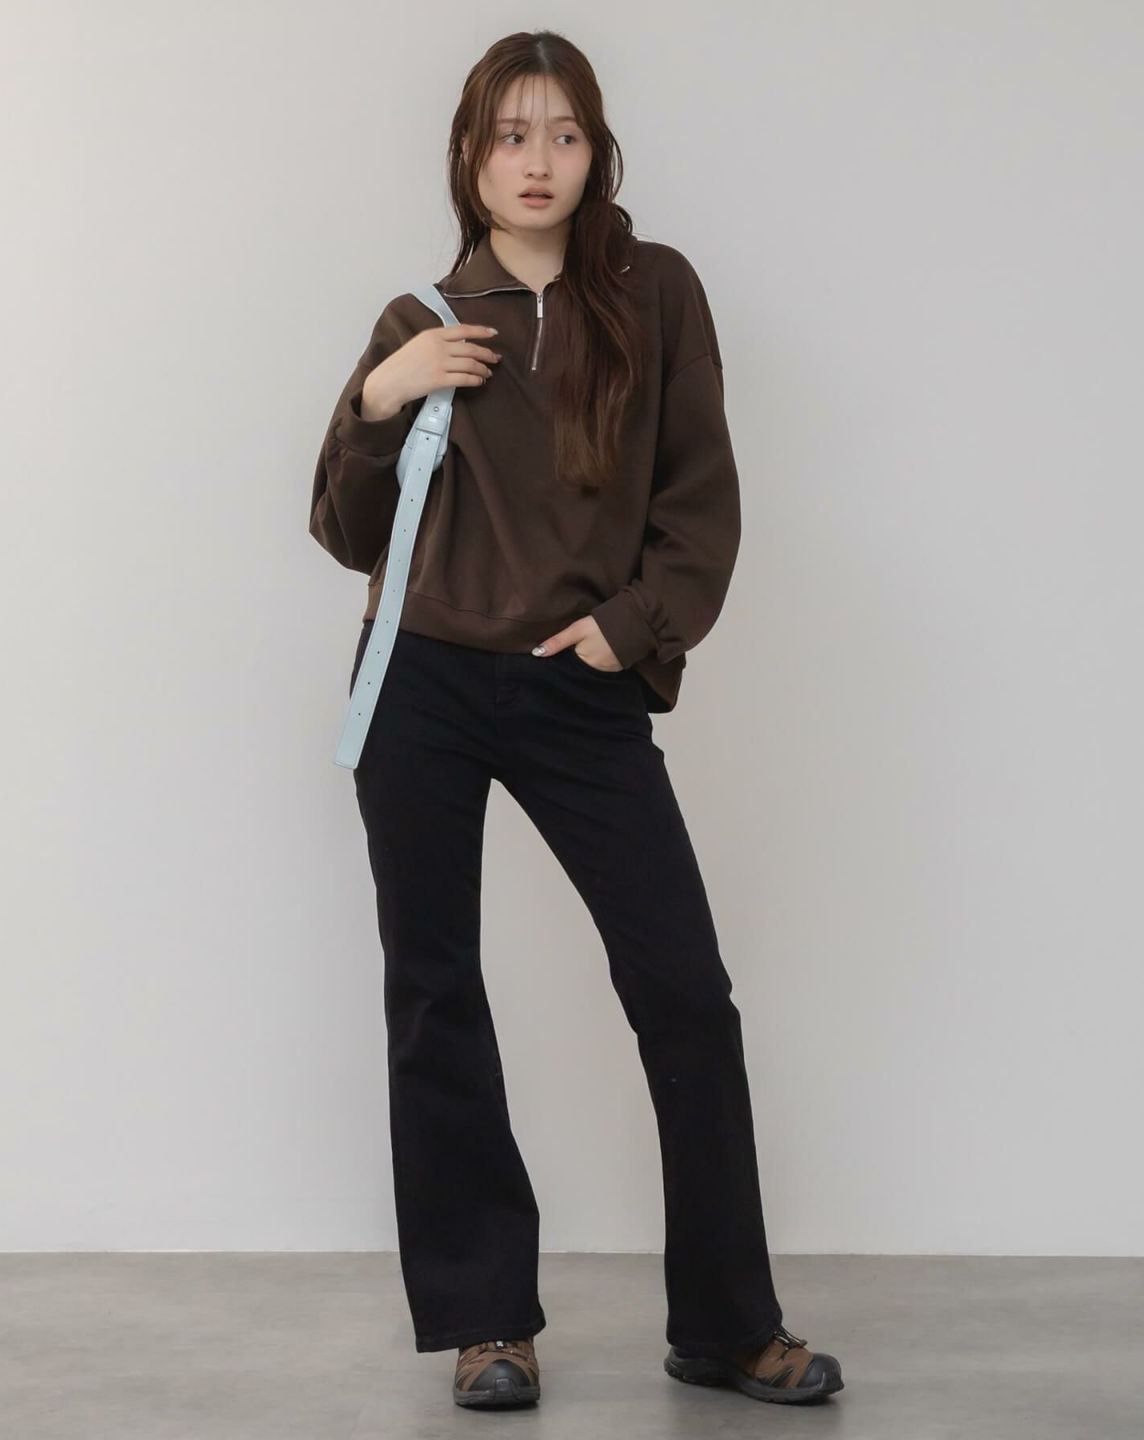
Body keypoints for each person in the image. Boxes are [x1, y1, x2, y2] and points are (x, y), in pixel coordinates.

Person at [309, 28, 845, 1411]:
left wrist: (635, 625)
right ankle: (488, 1322)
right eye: (510, 134)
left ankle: (725, 1324)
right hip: (421, 683)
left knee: (685, 994)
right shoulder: (424, 315)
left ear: (597, 149)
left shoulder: (653, 294)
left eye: (562, 133)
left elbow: (700, 494)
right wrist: (380, 398)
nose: (536, 160)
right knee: (436, 992)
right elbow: (347, 529)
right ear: (469, 155)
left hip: (579, 687)